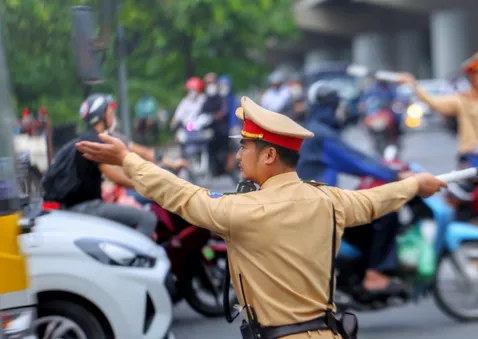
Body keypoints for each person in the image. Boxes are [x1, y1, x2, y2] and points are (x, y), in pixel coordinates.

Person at [76, 95, 447, 338]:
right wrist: (414, 185)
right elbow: (373, 202)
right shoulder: (328, 200)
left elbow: (181, 194)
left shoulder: (246, 211)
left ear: (269, 156)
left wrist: (128, 159)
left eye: (245, 146)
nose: (238, 155)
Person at [297, 82, 410, 299]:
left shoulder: (310, 130)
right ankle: (374, 275)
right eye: (338, 106)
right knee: (386, 212)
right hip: (322, 206)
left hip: (310, 202)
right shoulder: (321, 135)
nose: (342, 111)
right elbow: (356, 161)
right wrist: (393, 175)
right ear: (331, 106)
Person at [42, 93, 157, 237]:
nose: (113, 115)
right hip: (86, 208)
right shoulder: (95, 141)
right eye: (110, 111)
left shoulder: (88, 138)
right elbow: (115, 175)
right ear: (102, 115)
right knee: (147, 218)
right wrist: (149, 185)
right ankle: (139, 258)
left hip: (78, 206)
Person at [399, 47, 478, 167]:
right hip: (473, 159)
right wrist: (414, 85)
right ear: (473, 76)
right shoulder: (462, 100)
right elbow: (433, 102)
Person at [201, 72, 229, 176]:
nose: (210, 85)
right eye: (207, 83)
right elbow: (201, 112)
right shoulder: (205, 99)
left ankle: (224, 168)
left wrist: (217, 115)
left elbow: (224, 111)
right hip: (208, 130)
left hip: (221, 130)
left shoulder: (221, 98)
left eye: (211, 83)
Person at [171, 77, 206, 144]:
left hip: (200, 126)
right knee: (181, 135)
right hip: (188, 126)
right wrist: (174, 120)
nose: (192, 92)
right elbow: (179, 111)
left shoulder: (203, 99)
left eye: (194, 90)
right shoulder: (186, 101)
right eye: (191, 90)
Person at [219, 75, 240, 173]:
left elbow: (234, 116)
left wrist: (233, 127)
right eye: (221, 85)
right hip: (221, 129)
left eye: (225, 85)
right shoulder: (218, 99)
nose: (223, 87)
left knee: (237, 146)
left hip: (232, 128)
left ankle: (234, 165)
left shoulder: (232, 99)